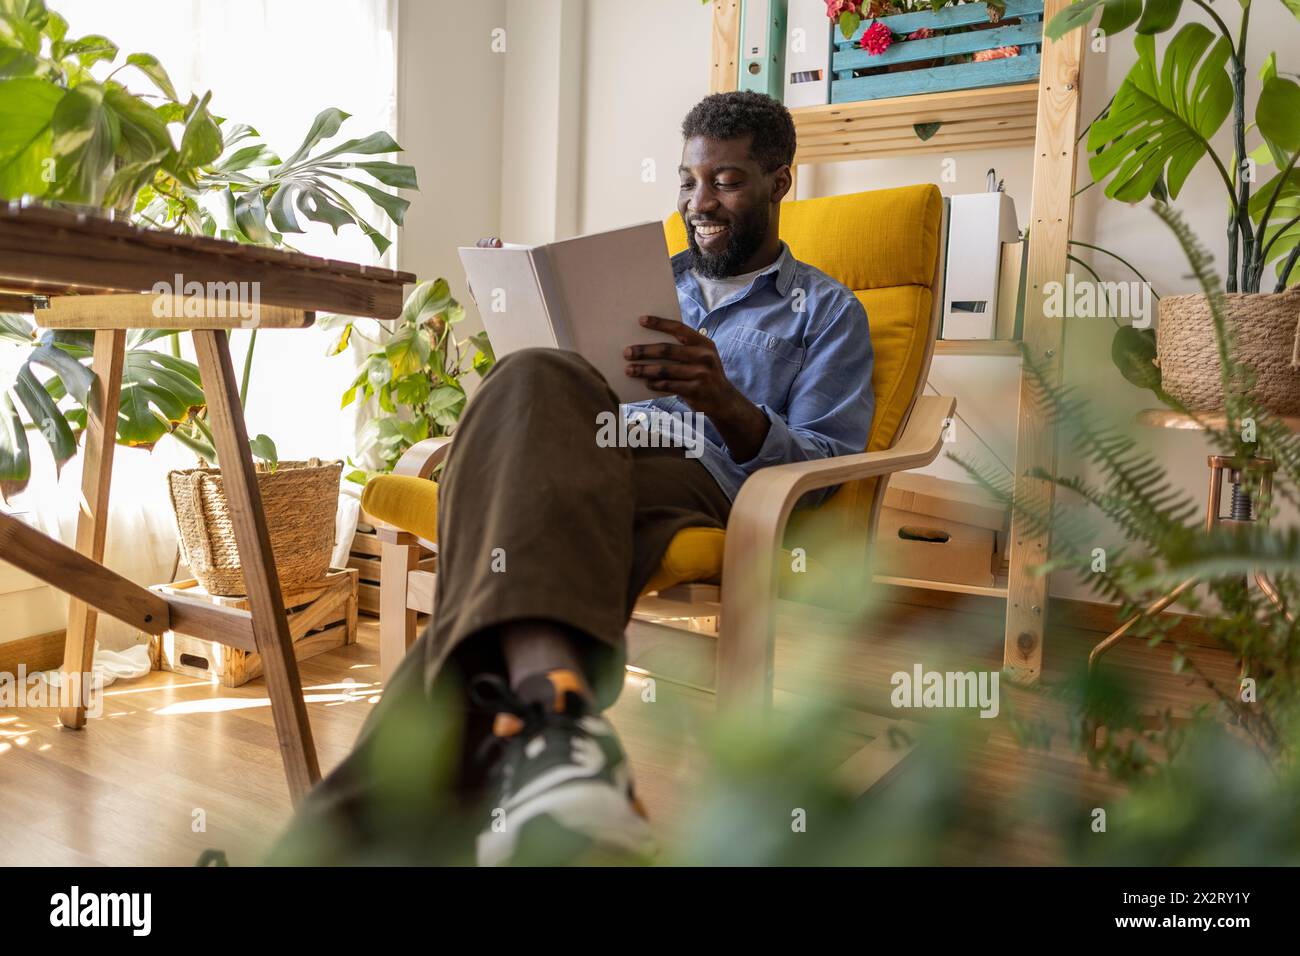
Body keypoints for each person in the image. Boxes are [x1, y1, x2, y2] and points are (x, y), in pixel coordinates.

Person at [271, 90, 875, 866]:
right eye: (690, 182)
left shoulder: (826, 312)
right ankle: (556, 731)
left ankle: (353, 835)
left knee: (518, 474)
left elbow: (825, 472)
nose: (701, 202)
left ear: (779, 183)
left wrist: (722, 399)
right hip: (589, 456)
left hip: (707, 477)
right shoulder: (646, 279)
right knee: (529, 371)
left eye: (725, 181)